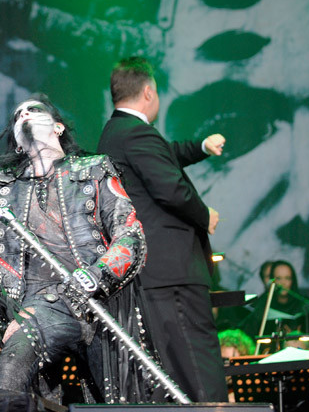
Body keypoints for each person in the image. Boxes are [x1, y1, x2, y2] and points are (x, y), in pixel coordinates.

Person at [0, 94, 149, 402]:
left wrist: (96, 276)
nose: (24, 114)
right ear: (18, 143)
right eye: (17, 115)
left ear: (58, 127)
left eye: (33, 110)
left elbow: (129, 234)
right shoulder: (3, 189)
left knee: (113, 400)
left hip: (99, 302)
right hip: (42, 305)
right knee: (10, 371)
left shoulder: (94, 170)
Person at [96, 56, 227, 402]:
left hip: (155, 276)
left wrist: (200, 147)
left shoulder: (117, 134)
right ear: (149, 92)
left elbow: (165, 153)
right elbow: (170, 189)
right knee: (198, 368)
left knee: (176, 374)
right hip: (173, 274)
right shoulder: (137, 133)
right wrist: (204, 215)